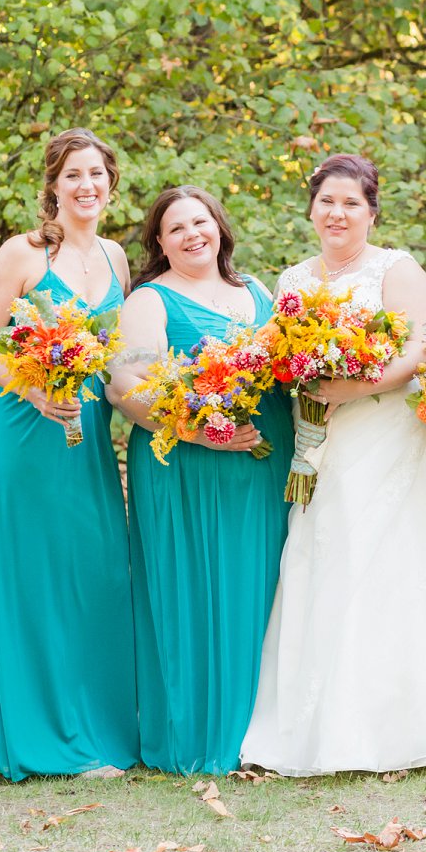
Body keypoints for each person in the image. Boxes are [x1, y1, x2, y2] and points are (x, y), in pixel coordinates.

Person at [239, 154, 426, 775]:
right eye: (327, 201)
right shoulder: (292, 278)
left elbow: (420, 346)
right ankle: (325, 725)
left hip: (391, 432)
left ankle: (417, 720)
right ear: (311, 208)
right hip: (322, 440)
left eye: (352, 203)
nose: (338, 213)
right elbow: (283, 354)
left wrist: (358, 386)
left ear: (372, 211)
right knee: (328, 554)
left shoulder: (396, 267)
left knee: (395, 558)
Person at [0, 129, 137, 780]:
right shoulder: (24, 254)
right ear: (54, 186)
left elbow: (119, 356)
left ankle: (97, 727)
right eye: (74, 175)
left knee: (94, 569)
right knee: (38, 574)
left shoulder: (118, 259)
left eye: (97, 174)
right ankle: (46, 738)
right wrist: (35, 392)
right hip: (27, 428)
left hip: (87, 432)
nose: (87, 185)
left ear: (110, 183)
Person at [109, 186, 290, 774]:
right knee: (194, 587)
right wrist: (193, 431)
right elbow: (125, 387)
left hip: (262, 464)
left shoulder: (257, 291)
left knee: (257, 586)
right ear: (159, 243)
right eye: (176, 228)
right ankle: (201, 733)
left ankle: (258, 733)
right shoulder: (150, 302)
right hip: (186, 467)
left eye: (201, 221)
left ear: (220, 226)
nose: (192, 235)